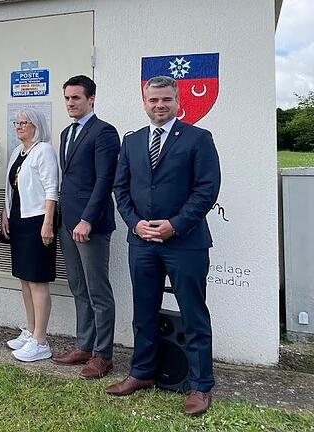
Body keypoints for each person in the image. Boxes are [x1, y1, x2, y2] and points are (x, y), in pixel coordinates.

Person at [107, 76, 221, 416]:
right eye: (153, 100)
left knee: (193, 313)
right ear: (144, 101)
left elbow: (207, 188)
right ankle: (142, 372)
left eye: (166, 99)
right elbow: (121, 189)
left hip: (185, 243)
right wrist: (134, 222)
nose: (160, 105)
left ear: (177, 100)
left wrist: (175, 225)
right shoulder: (132, 142)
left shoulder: (199, 139)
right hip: (141, 242)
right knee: (144, 312)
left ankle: (201, 385)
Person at [51, 75, 120, 379]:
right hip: (68, 223)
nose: (70, 103)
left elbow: (106, 181)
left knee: (98, 290)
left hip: (90, 225)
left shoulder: (104, 132)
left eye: (76, 98)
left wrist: (87, 220)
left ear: (91, 99)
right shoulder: (66, 133)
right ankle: (84, 345)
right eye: (66, 98)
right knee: (78, 287)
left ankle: (103, 355)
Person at [1, 109, 59, 362]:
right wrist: (5, 211)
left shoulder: (43, 150)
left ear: (37, 125)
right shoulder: (18, 152)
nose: (19, 126)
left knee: (37, 280)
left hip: (37, 220)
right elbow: (11, 187)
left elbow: (51, 189)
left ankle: (41, 340)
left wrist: (48, 223)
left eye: (24, 122)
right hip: (19, 219)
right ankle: (30, 330)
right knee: (24, 279)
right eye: (17, 122)